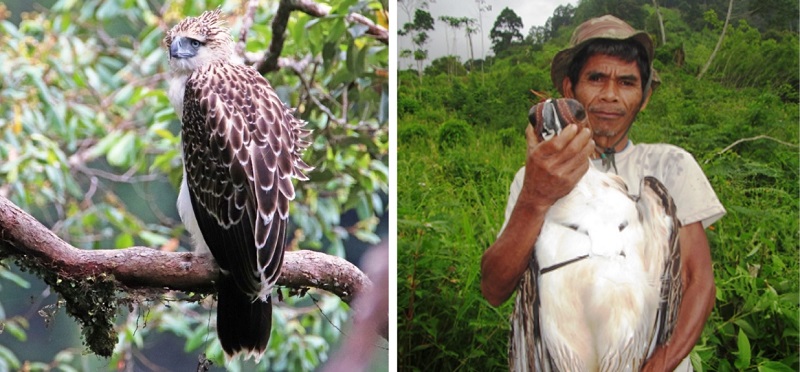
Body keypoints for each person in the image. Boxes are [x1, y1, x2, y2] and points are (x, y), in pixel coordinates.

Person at [480, 15, 726, 371]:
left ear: (644, 97)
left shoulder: (672, 166)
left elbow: (698, 281)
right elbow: (494, 290)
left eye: (627, 82)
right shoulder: (534, 176)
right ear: (570, 89)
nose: (610, 95)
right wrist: (536, 196)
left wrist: (659, 365)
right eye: (596, 78)